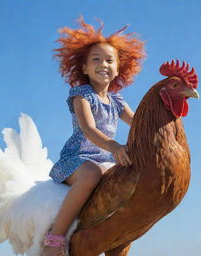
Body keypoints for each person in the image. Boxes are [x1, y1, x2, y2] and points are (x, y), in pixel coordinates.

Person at [43, 17, 145, 256]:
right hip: (77, 160)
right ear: (85, 68)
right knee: (91, 173)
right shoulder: (81, 96)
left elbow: (138, 123)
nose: (103, 64)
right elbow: (88, 129)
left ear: (119, 68)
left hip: (105, 161)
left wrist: (157, 122)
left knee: (127, 179)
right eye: (96, 59)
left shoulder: (117, 100)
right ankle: (55, 238)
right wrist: (114, 146)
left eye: (110, 60)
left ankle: (113, 236)